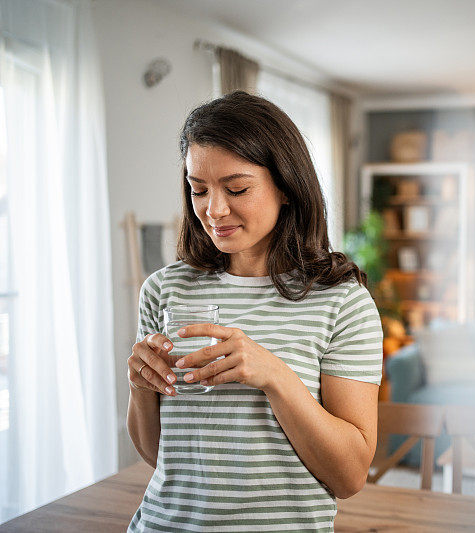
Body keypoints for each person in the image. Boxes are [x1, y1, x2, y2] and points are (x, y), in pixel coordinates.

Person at [126, 91, 383, 532]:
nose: (214, 210)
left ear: (285, 186)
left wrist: (273, 375)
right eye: (198, 190)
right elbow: (158, 454)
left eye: (237, 188)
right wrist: (140, 386)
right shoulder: (164, 290)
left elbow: (349, 475)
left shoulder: (342, 302)